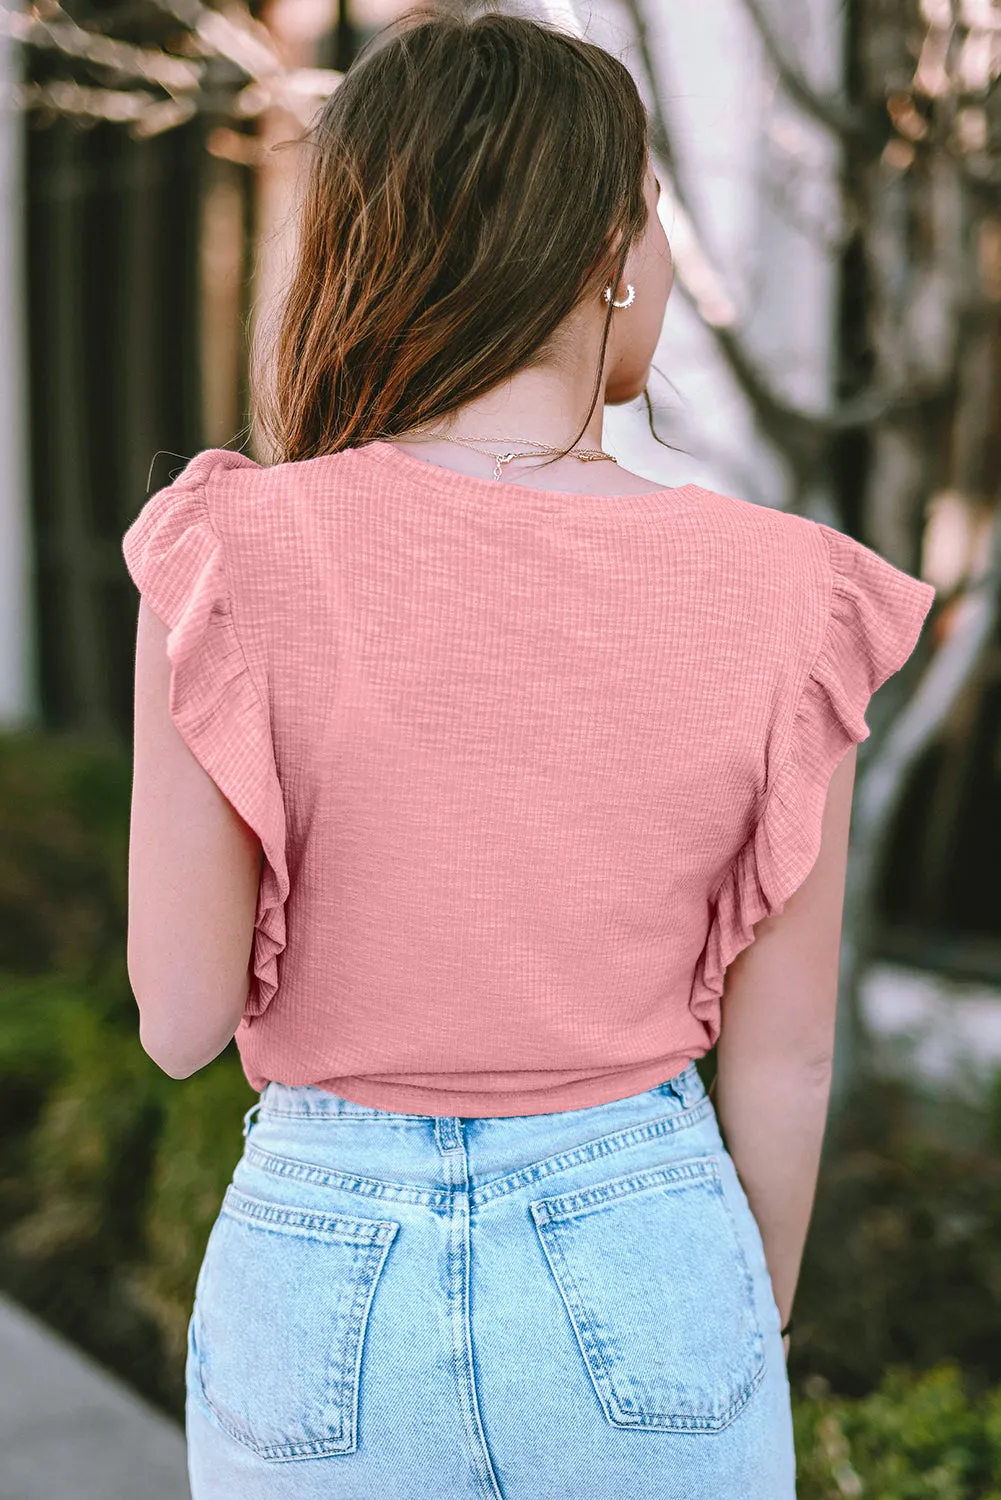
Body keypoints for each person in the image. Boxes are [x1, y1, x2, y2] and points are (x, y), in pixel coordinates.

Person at [121, 9, 936, 1499]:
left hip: (323, 1266)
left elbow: (178, 1013)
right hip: (648, 1228)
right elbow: (791, 1052)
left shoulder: (231, 553)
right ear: (615, 250)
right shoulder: (790, 587)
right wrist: (734, 1317)